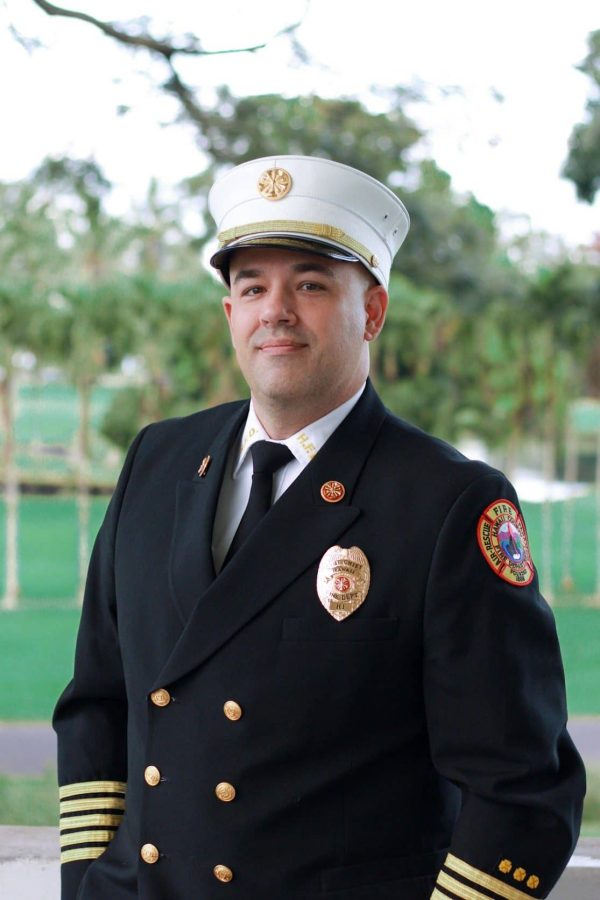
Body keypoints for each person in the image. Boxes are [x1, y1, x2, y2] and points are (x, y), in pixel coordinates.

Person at [54, 155, 585, 900]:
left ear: (372, 312)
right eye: (252, 287)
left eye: (310, 285)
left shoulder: (448, 503)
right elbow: (96, 702)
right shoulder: (158, 461)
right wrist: (87, 886)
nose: (275, 310)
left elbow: (523, 789)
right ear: (230, 315)